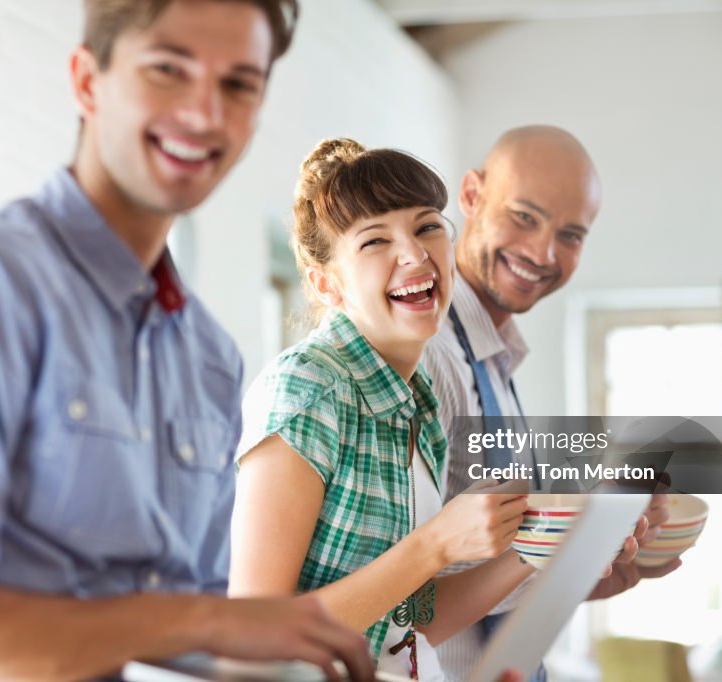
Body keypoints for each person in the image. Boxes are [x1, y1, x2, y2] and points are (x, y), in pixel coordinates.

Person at [0, 2, 378, 680]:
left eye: (239, 84)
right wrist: (209, 622)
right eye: (167, 69)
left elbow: (192, 635)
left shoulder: (209, 359)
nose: (205, 113)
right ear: (88, 81)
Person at [228, 138, 538, 682]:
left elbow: (405, 623)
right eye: (375, 241)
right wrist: (437, 543)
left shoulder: (416, 402)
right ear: (328, 284)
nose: (416, 255)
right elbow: (253, 639)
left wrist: (538, 547)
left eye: (426, 226)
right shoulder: (308, 389)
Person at [421, 125, 680, 682]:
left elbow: (482, 572)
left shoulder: (493, 361)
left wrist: (587, 575)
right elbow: (402, 597)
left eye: (571, 234)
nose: (543, 252)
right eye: (524, 216)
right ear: (471, 196)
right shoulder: (430, 355)